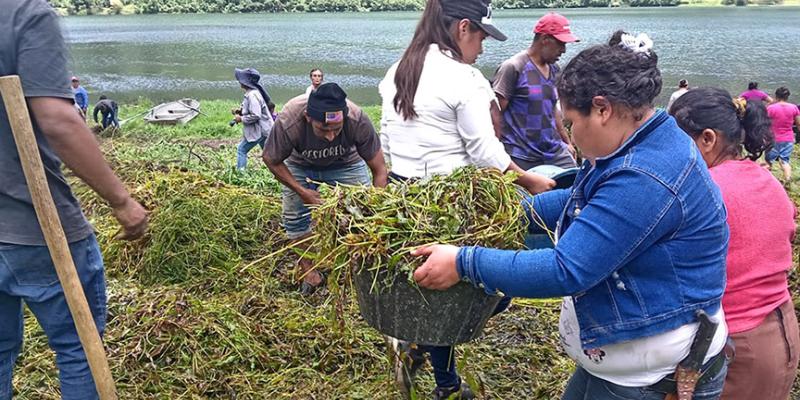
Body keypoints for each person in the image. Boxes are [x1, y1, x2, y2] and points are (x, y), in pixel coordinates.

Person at [410, 31, 731, 400]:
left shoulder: (645, 177)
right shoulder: (636, 140)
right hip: (617, 358)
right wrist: (499, 215)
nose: (572, 137)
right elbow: (578, 202)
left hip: (651, 378)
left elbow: (567, 270)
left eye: (572, 123)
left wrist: (465, 262)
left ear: (602, 109)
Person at [379, 0, 555, 398]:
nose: (483, 47)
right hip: (451, 203)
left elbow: (387, 141)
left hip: (405, 199)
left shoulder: (396, 72)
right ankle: (444, 382)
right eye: (481, 36)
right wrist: (528, 180)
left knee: (435, 290)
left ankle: (422, 355)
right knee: (491, 287)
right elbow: (485, 152)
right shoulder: (464, 78)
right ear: (462, 28)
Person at [0, 1, 148, 399]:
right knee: (78, 349)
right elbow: (58, 120)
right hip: (35, 229)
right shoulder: (24, 12)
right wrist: (122, 201)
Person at [670, 87, 799, 400]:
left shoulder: (704, 190)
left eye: (675, 143)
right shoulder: (765, 178)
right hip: (782, 331)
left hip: (737, 346)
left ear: (708, 139)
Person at [263, 82, 388, 294]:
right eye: (323, 129)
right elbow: (270, 158)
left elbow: (379, 169)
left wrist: (376, 209)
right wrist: (301, 192)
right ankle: (309, 273)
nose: (331, 136)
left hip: (346, 163)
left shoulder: (357, 119)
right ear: (308, 117)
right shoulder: (290, 119)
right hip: (300, 165)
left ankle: (357, 271)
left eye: (336, 130)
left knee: (361, 216)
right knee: (295, 220)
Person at [492, 12, 579, 170]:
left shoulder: (554, 69)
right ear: (545, 39)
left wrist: (566, 142)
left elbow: (552, 109)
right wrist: (496, 153)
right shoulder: (514, 67)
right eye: (560, 44)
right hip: (521, 154)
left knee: (576, 182)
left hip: (553, 150)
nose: (564, 50)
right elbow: (495, 111)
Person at [232, 67, 274, 171]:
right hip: (264, 129)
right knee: (269, 155)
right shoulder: (252, 93)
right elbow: (252, 110)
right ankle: (278, 173)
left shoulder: (252, 95)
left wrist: (241, 119)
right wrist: (240, 111)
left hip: (259, 130)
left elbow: (256, 115)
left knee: (241, 150)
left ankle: (241, 174)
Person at [765, 86, 800, 185]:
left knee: (768, 162)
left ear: (776, 96)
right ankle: (788, 181)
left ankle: (767, 182)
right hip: (788, 139)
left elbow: (764, 123)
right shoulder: (794, 107)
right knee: (785, 161)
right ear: (787, 97)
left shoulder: (770, 108)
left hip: (772, 139)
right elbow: (798, 124)